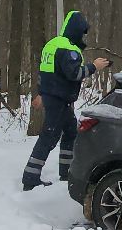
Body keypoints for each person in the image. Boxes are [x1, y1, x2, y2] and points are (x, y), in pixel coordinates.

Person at [23, 11, 109, 191]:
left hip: (55, 98)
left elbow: (44, 72)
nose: (83, 37)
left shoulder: (52, 44)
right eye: (82, 32)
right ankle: (30, 179)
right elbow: (74, 74)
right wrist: (94, 66)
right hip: (59, 100)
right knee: (48, 137)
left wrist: (41, 94)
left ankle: (66, 172)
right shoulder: (69, 49)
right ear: (76, 30)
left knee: (70, 132)